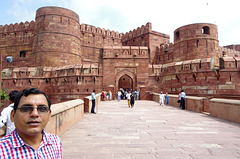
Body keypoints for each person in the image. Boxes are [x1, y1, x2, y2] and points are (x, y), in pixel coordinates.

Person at [0, 88, 62, 158]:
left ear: (49, 115)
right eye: (26, 108)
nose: (35, 114)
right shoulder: (2, 150)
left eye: (42, 109)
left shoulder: (55, 142)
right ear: (13, 115)